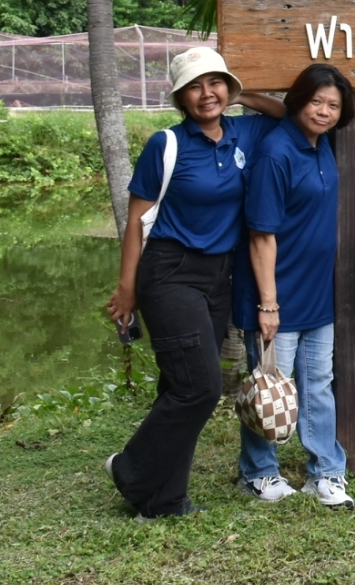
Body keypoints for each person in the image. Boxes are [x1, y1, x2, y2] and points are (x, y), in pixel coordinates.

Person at [103, 48, 285, 518]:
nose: (206, 94)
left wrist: (243, 96)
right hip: (170, 271)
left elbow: (288, 115)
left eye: (215, 83)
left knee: (177, 386)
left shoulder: (244, 132)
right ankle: (130, 470)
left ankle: (164, 499)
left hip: (219, 275)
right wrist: (127, 288)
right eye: (194, 87)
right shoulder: (166, 144)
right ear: (180, 98)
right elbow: (136, 221)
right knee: (201, 387)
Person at [235, 63, 355, 509]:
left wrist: (247, 96)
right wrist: (268, 304)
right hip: (276, 294)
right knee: (269, 386)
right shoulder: (276, 152)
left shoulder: (320, 143)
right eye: (315, 102)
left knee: (318, 383)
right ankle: (258, 473)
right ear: (299, 102)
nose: (323, 111)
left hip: (316, 293)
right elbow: (260, 235)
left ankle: (325, 471)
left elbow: (280, 109)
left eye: (333, 105)